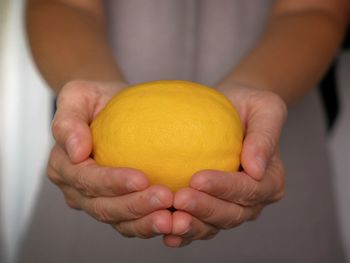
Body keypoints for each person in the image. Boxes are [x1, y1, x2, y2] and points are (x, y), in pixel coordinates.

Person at [18, 0, 348, 262]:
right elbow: (61, 4)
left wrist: (255, 87)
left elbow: (314, 8)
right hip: (92, 178)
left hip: (275, 156)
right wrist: (88, 82)